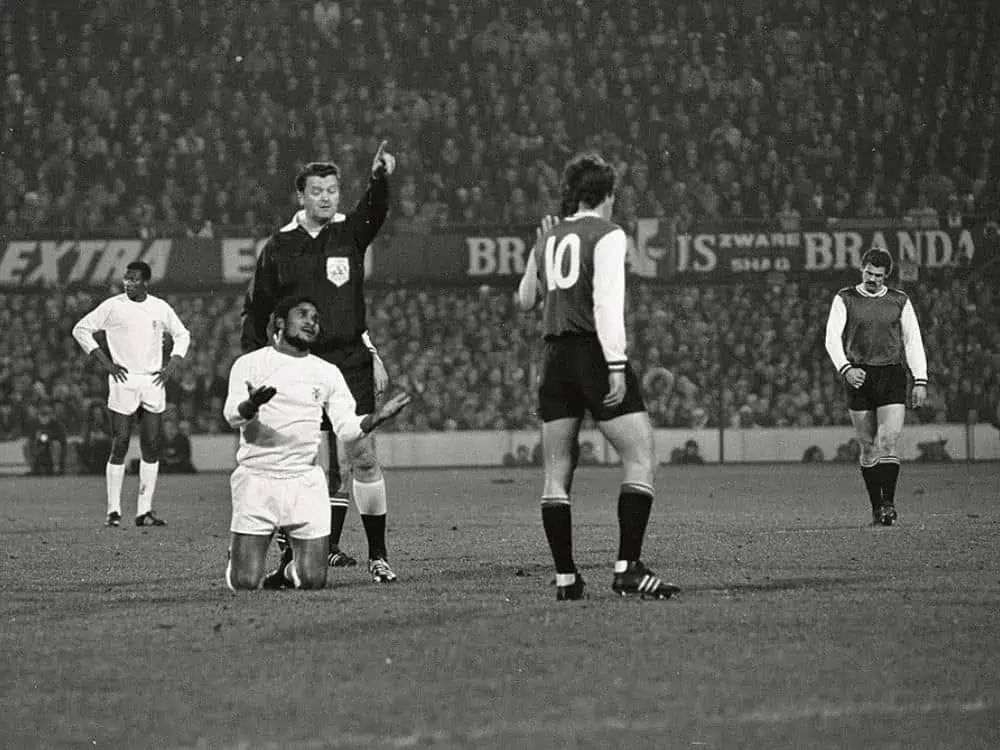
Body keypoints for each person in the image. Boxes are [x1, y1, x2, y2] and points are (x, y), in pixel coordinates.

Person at [516, 152, 679, 602]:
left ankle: (567, 578)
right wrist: (615, 364)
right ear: (606, 195)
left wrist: (537, 252)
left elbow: (525, 299)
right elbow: (607, 305)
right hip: (592, 352)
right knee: (641, 455)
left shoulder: (550, 237)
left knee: (557, 472)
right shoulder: (607, 235)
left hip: (554, 358)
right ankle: (628, 568)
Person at [240, 141, 399, 582]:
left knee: (362, 457)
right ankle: (292, 558)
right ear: (301, 197)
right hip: (298, 365)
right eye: (317, 191)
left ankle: (378, 555)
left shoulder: (348, 234)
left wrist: (380, 180)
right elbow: (257, 309)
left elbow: (374, 211)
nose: (327, 197)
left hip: (348, 363)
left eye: (332, 189)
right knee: (300, 464)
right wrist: (254, 364)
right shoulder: (281, 246)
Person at [223, 295, 410, 591]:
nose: (312, 321)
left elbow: (346, 428)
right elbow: (232, 415)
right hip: (257, 478)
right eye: (304, 315)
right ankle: (242, 555)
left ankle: (287, 570)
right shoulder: (249, 364)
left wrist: (374, 419)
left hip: (303, 480)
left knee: (312, 579)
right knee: (244, 582)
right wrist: (251, 406)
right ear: (281, 323)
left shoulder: (326, 372)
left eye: (317, 318)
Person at [72, 261, 191, 527]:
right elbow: (81, 329)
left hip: (152, 380)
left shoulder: (159, 307)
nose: (128, 283)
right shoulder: (113, 306)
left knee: (151, 444)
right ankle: (113, 511)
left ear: (145, 282)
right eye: (126, 279)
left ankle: (144, 512)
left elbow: (183, 335)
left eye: (134, 279)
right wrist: (106, 364)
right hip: (123, 380)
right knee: (121, 443)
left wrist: (172, 364)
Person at [824, 246, 928, 526]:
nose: (873, 279)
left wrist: (920, 379)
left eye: (879, 276)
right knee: (868, 446)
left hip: (892, 374)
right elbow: (832, 337)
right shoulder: (845, 298)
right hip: (859, 375)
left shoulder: (899, 301)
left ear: (886, 276)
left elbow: (912, 340)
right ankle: (876, 506)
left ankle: (888, 504)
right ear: (862, 269)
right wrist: (845, 368)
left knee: (888, 441)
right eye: (869, 273)